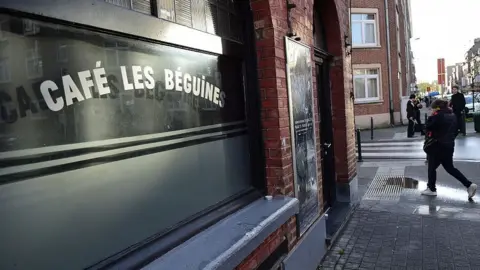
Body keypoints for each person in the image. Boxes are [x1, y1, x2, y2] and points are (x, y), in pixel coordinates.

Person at [422, 99, 477, 198]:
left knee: (431, 167)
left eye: (433, 108)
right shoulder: (452, 115)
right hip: (449, 145)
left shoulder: (437, 116)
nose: (432, 110)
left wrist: (431, 117)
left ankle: (431, 189)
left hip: (436, 145)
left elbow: (427, 127)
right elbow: (456, 130)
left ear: (437, 108)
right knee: (450, 168)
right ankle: (469, 185)